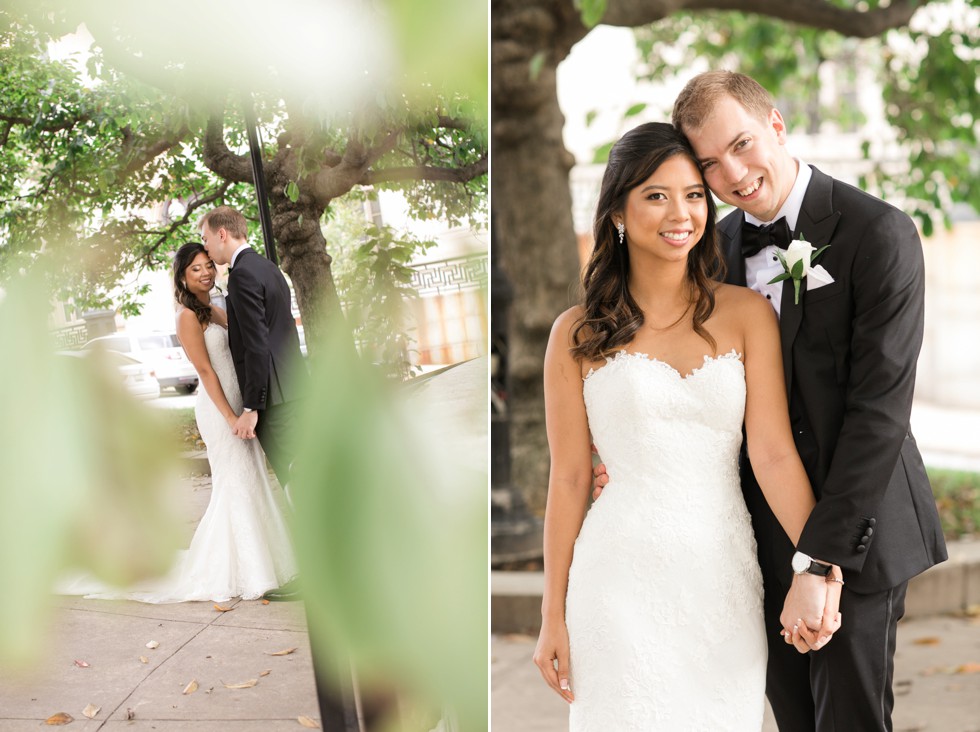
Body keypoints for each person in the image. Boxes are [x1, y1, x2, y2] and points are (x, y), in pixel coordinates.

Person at [595, 71, 948, 731]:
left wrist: (821, 560)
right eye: (709, 163)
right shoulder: (712, 249)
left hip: (856, 530)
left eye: (743, 144)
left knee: (848, 720)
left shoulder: (878, 233)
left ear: (777, 125)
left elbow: (879, 414)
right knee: (793, 720)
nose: (733, 173)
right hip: (755, 538)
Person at [532, 122, 840, 730]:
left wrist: (820, 566)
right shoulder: (576, 333)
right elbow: (568, 480)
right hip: (614, 583)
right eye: (656, 194)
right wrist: (552, 615)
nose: (682, 213)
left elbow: (774, 455)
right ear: (618, 209)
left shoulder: (746, 313)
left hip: (720, 581)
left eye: (695, 194)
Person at [58, 242, 298, 602]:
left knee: (253, 479)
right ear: (182, 278)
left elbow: (248, 334)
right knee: (235, 484)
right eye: (195, 269)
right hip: (219, 411)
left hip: (238, 401)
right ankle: (247, 570)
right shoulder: (187, 315)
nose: (205, 272)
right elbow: (204, 371)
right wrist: (231, 415)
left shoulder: (213, 309)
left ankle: (271, 561)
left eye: (207, 266)